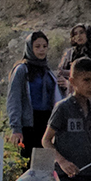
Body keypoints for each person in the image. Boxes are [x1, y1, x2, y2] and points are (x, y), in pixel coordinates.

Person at [7, 31, 64, 165]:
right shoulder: (22, 70)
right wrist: (16, 128)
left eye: (44, 46)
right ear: (30, 48)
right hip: (29, 122)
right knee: (27, 164)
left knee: (44, 164)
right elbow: (14, 99)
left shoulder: (48, 71)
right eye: (37, 46)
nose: (41, 50)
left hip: (46, 121)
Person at [57, 24, 91, 104]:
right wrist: (74, 76)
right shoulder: (70, 53)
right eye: (75, 34)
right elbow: (61, 71)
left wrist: (90, 76)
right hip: (72, 90)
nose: (79, 36)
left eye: (81, 32)